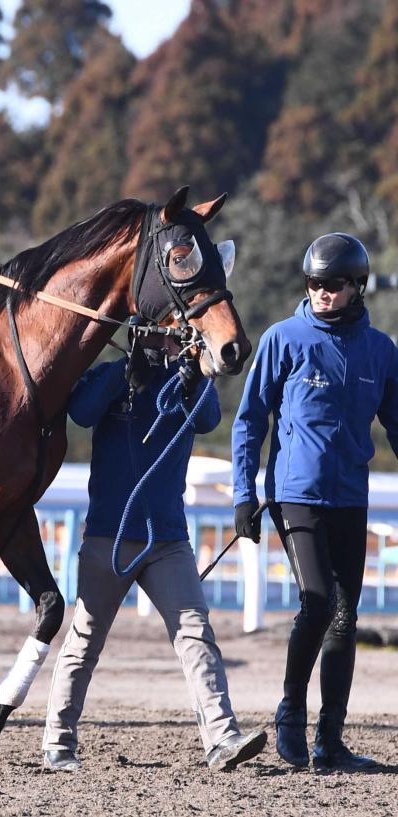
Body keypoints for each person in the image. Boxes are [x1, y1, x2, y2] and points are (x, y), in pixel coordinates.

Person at [42, 328, 267, 773]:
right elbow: (82, 412)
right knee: (85, 639)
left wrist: (195, 376)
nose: (173, 343)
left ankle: (222, 738)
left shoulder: (185, 386)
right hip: (110, 535)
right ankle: (58, 743)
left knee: (195, 633)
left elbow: (208, 420)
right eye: (165, 337)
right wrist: (125, 375)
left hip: (167, 538)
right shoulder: (111, 376)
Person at [232, 232, 398, 771]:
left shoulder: (382, 351)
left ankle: (330, 740)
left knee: (346, 617)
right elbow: (249, 421)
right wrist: (243, 494)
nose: (322, 292)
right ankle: (289, 714)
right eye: (314, 284)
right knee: (319, 601)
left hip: (351, 497)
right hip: (295, 494)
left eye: (332, 285)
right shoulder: (283, 339)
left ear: (356, 287)